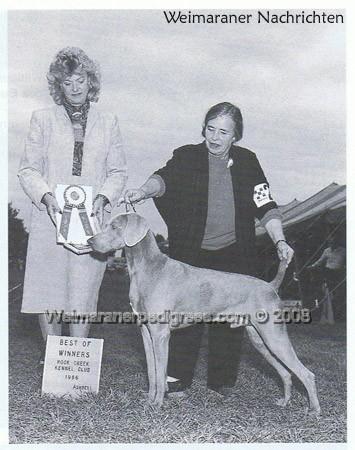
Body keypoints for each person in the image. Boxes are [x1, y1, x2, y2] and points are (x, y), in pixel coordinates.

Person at [122, 102, 293, 396]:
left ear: (235, 136)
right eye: (210, 129)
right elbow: (162, 179)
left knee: (231, 320)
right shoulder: (187, 156)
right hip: (192, 250)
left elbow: (265, 204)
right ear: (203, 128)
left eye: (223, 132)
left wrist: (280, 240)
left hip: (235, 251)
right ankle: (176, 378)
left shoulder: (248, 161)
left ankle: (221, 381)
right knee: (182, 319)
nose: (214, 137)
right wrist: (142, 190)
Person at [18, 47, 127, 349]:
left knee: (83, 292)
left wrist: (103, 198)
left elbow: (118, 171)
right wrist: (46, 196)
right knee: (47, 291)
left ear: (90, 82)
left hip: (92, 222)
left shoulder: (109, 123)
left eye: (80, 80)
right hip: (49, 219)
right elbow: (27, 169)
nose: (75, 88)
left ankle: (77, 362)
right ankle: (53, 360)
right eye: (67, 82)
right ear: (58, 86)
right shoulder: (42, 120)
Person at [308, 236, 346, 323]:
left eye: (333, 242)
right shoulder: (327, 250)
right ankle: (325, 313)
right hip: (328, 272)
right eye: (330, 242)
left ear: (337, 243)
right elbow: (320, 261)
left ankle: (337, 315)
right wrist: (312, 266)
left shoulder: (343, 251)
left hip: (338, 273)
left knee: (337, 293)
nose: (331, 244)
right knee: (326, 291)